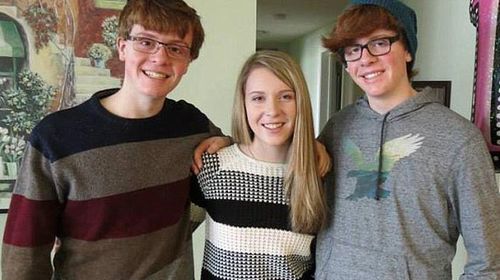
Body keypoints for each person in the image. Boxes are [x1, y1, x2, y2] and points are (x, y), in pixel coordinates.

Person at [1, 0, 228, 279]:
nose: (160, 57)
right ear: (122, 47)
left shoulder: (191, 125)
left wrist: (226, 145)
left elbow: (243, 161)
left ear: (187, 62)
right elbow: (23, 253)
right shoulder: (55, 136)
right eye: (146, 42)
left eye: (176, 48)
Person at [315, 0, 500, 279]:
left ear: (407, 50)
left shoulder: (459, 140)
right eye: (353, 49)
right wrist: (226, 142)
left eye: (379, 43)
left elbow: (488, 262)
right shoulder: (335, 128)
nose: (365, 59)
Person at [190, 50, 328, 279]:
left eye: (286, 96)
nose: (272, 111)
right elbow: (170, 239)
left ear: (301, 102)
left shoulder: (320, 175)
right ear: (242, 104)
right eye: (258, 98)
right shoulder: (213, 168)